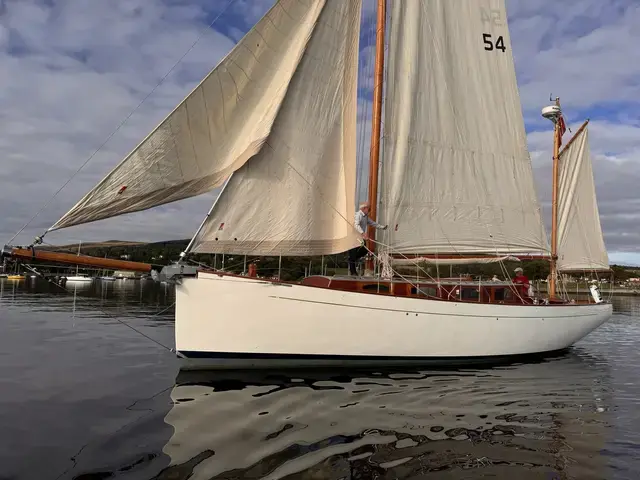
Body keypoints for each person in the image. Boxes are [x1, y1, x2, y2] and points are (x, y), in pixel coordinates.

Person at [348, 202, 387, 276]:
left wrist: (382, 227)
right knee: (353, 255)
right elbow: (356, 225)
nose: (369, 210)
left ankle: (352, 259)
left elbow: (372, 223)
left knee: (364, 250)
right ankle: (353, 272)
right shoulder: (358, 215)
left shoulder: (365, 216)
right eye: (368, 208)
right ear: (363, 208)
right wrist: (363, 233)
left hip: (359, 238)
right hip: (353, 238)